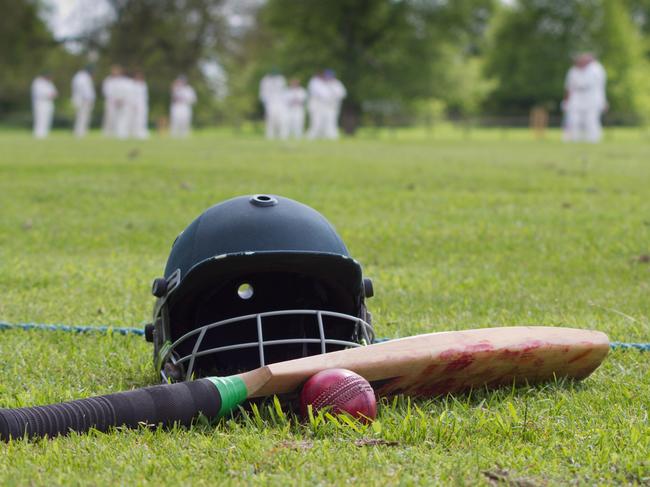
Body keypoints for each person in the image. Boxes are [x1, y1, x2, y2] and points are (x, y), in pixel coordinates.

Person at [563, 53, 607, 143]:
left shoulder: (596, 69)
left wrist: (603, 101)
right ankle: (575, 139)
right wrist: (566, 101)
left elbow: (601, 86)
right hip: (576, 96)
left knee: (591, 119)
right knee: (574, 119)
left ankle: (593, 139)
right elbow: (568, 87)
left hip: (592, 96)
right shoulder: (573, 71)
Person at [307, 69, 346, 140]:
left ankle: (331, 136)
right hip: (320, 106)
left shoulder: (337, 83)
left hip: (333, 106)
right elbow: (322, 95)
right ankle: (314, 136)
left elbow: (342, 94)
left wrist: (334, 96)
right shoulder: (317, 82)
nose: (328, 78)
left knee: (331, 121)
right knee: (317, 122)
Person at [102, 65, 132, 138]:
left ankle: (121, 133)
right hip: (111, 102)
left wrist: (122, 99)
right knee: (110, 118)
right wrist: (114, 99)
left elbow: (127, 91)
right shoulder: (108, 80)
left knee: (122, 118)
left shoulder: (124, 81)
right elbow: (106, 91)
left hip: (123, 102)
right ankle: (108, 133)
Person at [259, 69, 287, 139]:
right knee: (271, 119)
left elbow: (283, 91)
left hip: (280, 102)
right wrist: (265, 104)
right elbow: (263, 93)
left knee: (281, 119)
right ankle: (270, 135)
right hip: (270, 102)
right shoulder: (265, 80)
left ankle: (281, 135)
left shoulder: (281, 79)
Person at [71, 65, 96, 137]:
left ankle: (79, 132)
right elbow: (85, 89)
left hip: (80, 99)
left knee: (81, 117)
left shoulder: (79, 76)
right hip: (83, 100)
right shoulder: (83, 77)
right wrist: (89, 99)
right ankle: (80, 132)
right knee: (83, 117)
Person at [31, 73, 58, 139]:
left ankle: (45, 133)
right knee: (40, 119)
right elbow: (39, 94)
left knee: (47, 119)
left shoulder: (49, 83)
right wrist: (49, 95)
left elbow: (55, 92)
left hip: (49, 103)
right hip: (40, 103)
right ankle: (38, 134)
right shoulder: (37, 82)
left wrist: (51, 95)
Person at [129, 70, 149, 139]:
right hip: (133, 104)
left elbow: (145, 96)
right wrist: (133, 104)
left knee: (141, 119)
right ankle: (133, 132)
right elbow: (130, 95)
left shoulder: (143, 84)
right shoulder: (131, 84)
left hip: (142, 104)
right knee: (133, 119)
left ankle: (141, 132)